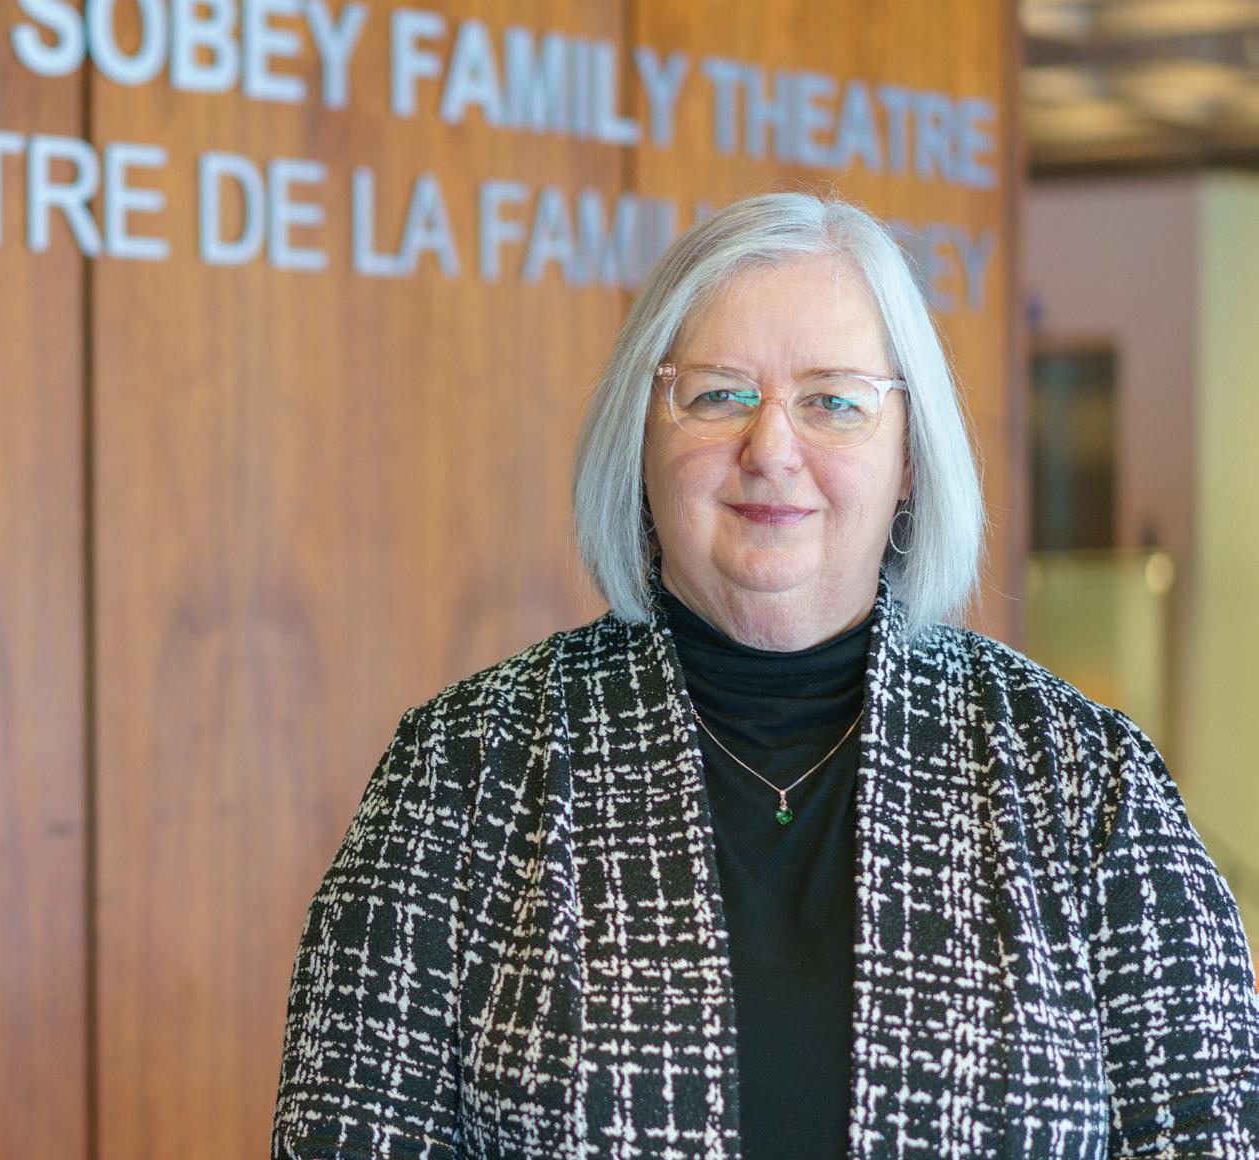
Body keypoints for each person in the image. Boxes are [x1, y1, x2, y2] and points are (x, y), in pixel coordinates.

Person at [270, 190, 1259, 1158]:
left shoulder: (1084, 778)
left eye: (833, 401)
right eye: (719, 394)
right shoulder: (461, 770)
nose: (772, 447)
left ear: (909, 458)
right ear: (641, 436)